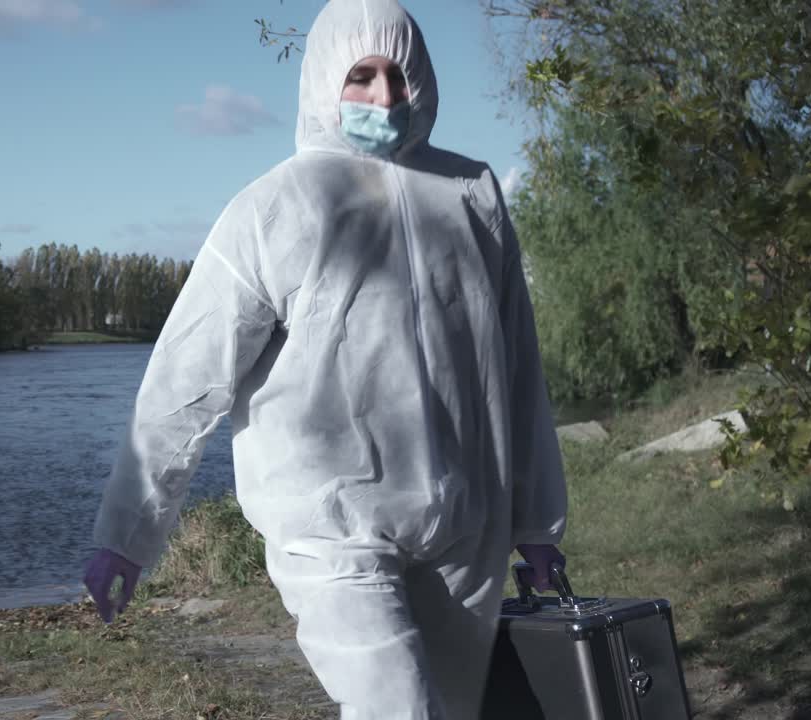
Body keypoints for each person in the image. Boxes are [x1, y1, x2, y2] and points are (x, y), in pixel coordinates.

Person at [83, 0, 568, 717]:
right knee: (397, 706)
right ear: (321, 82)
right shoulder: (275, 207)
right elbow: (185, 384)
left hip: (467, 530)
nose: (383, 97)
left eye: (398, 77)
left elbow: (518, 371)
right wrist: (126, 536)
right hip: (330, 532)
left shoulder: (472, 194)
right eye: (361, 77)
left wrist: (535, 523)